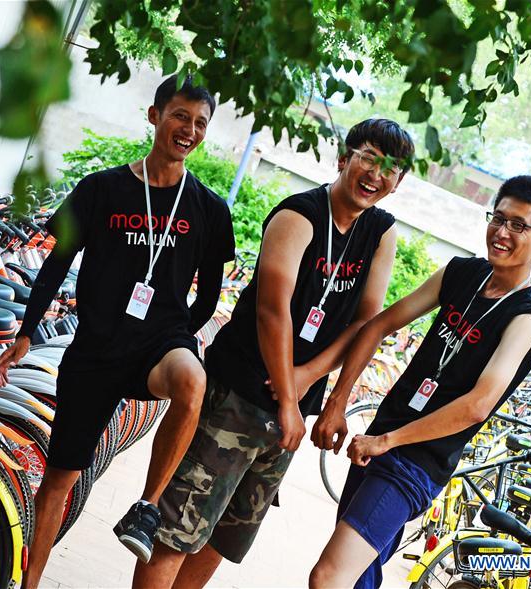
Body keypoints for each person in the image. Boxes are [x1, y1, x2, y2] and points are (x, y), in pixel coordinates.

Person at [135, 119, 415, 588]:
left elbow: (365, 322)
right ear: (344, 158)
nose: (376, 173)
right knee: (179, 530)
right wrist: (289, 395)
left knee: (225, 536)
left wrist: (311, 383)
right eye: (368, 157)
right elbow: (272, 311)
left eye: (392, 168)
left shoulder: (380, 232)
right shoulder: (297, 215)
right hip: (238, 393)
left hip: (291, 410)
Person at [0, 75, 235, 588]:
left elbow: (210, 294)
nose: (188, 130)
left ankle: (146, 509)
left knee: (192, 380)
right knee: (61, 477)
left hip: (160, 344)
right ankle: (30, 582)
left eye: (199, 123)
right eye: (179, 116)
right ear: (153, 116)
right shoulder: (101, 189)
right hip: (97, 347)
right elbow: (56, 264)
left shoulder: (210, 209)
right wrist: (27, 331)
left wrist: (182, 333)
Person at [308, 175, 531, 588]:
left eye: (519, 225)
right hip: (377, 441)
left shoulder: (525, 319)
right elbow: (379, 326)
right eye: (497, 218)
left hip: (415, 463)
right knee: (357, 578)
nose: (501, 232)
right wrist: (337, 402)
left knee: (328, 577)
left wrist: (389, 441)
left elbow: (478, 405)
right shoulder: (461, 274)